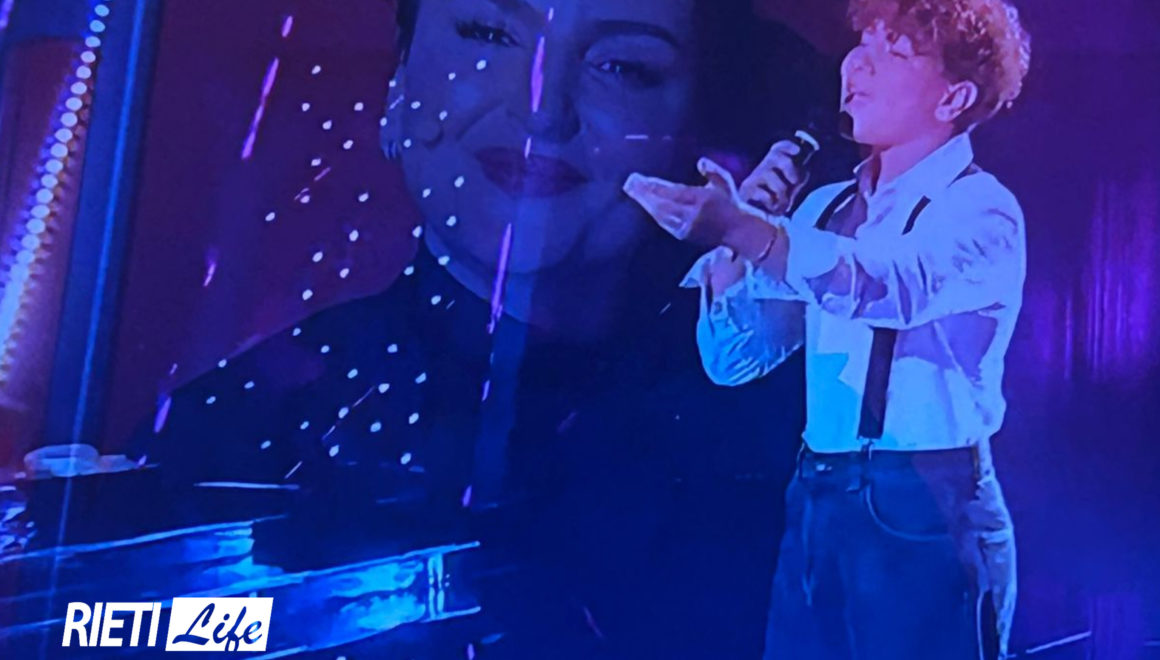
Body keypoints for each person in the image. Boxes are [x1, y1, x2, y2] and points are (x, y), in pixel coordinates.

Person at [128, 0, 845, 656]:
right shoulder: (235, 433)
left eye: (623, 66)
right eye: (488, 34)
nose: (542, 108)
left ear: (702, 138)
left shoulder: (807, 428)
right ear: (397, 91)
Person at [624, 0, 1032, 657]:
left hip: (926, 502)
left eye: (893, 52)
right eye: (861, 44)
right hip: (817, 492)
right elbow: (735, 359)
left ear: (953, 96)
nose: (857, 66)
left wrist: (751, 231)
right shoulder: (824, 206)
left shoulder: (980, 209)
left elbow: (885, 286)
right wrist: (737, 243)